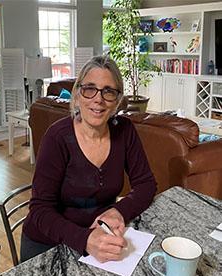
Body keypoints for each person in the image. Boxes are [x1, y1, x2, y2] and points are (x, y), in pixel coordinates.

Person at [21, 55, 157, 263]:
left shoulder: (125, 130)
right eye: (89, 88)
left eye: (108, 91)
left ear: (117, 100)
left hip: (101, 238)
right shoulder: (57, 137)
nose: (98, 99)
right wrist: (85, 239)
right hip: (48, 245)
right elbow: (40, 211)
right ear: (77, 95)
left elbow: (146, 184)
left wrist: (118, 211)